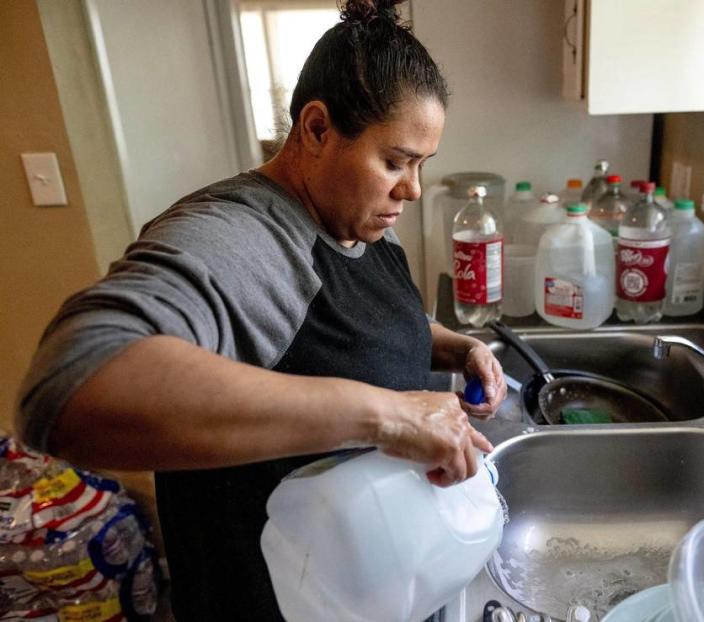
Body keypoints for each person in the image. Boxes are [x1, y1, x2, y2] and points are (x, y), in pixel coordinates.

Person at [15, 0, 506, 619]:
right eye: (395, 161)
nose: (412, 188)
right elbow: (74, 382)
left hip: (365, 585)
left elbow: (343, 330)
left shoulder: (361, 219)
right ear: (318, 128)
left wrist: (452, 345)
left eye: (420, 165)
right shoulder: (244, 236)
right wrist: (390, 417)